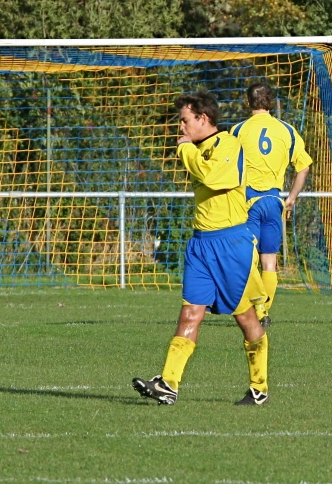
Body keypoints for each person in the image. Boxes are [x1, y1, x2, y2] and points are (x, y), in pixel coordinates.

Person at [132, 91, 270, 406]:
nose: (180, 128)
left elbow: (214, 177)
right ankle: (168, 384)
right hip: (201, 244)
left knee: (246, 318)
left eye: (184, 120)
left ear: (202, 118)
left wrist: (184, 151)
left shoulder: (228, 145)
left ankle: (259, 387)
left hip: (231, 244)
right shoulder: (201, 148)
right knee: (190, 313)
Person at [230, 82, 313, 327]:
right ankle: (264, 311)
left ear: (248, 103)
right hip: (274, 201)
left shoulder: (237, 130)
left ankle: (257, 308)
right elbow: (304, 167)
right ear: (272, 102)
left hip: (248, 201)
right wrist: (291, 199)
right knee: (270, 261)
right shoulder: (286, 130)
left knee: (247, 259)